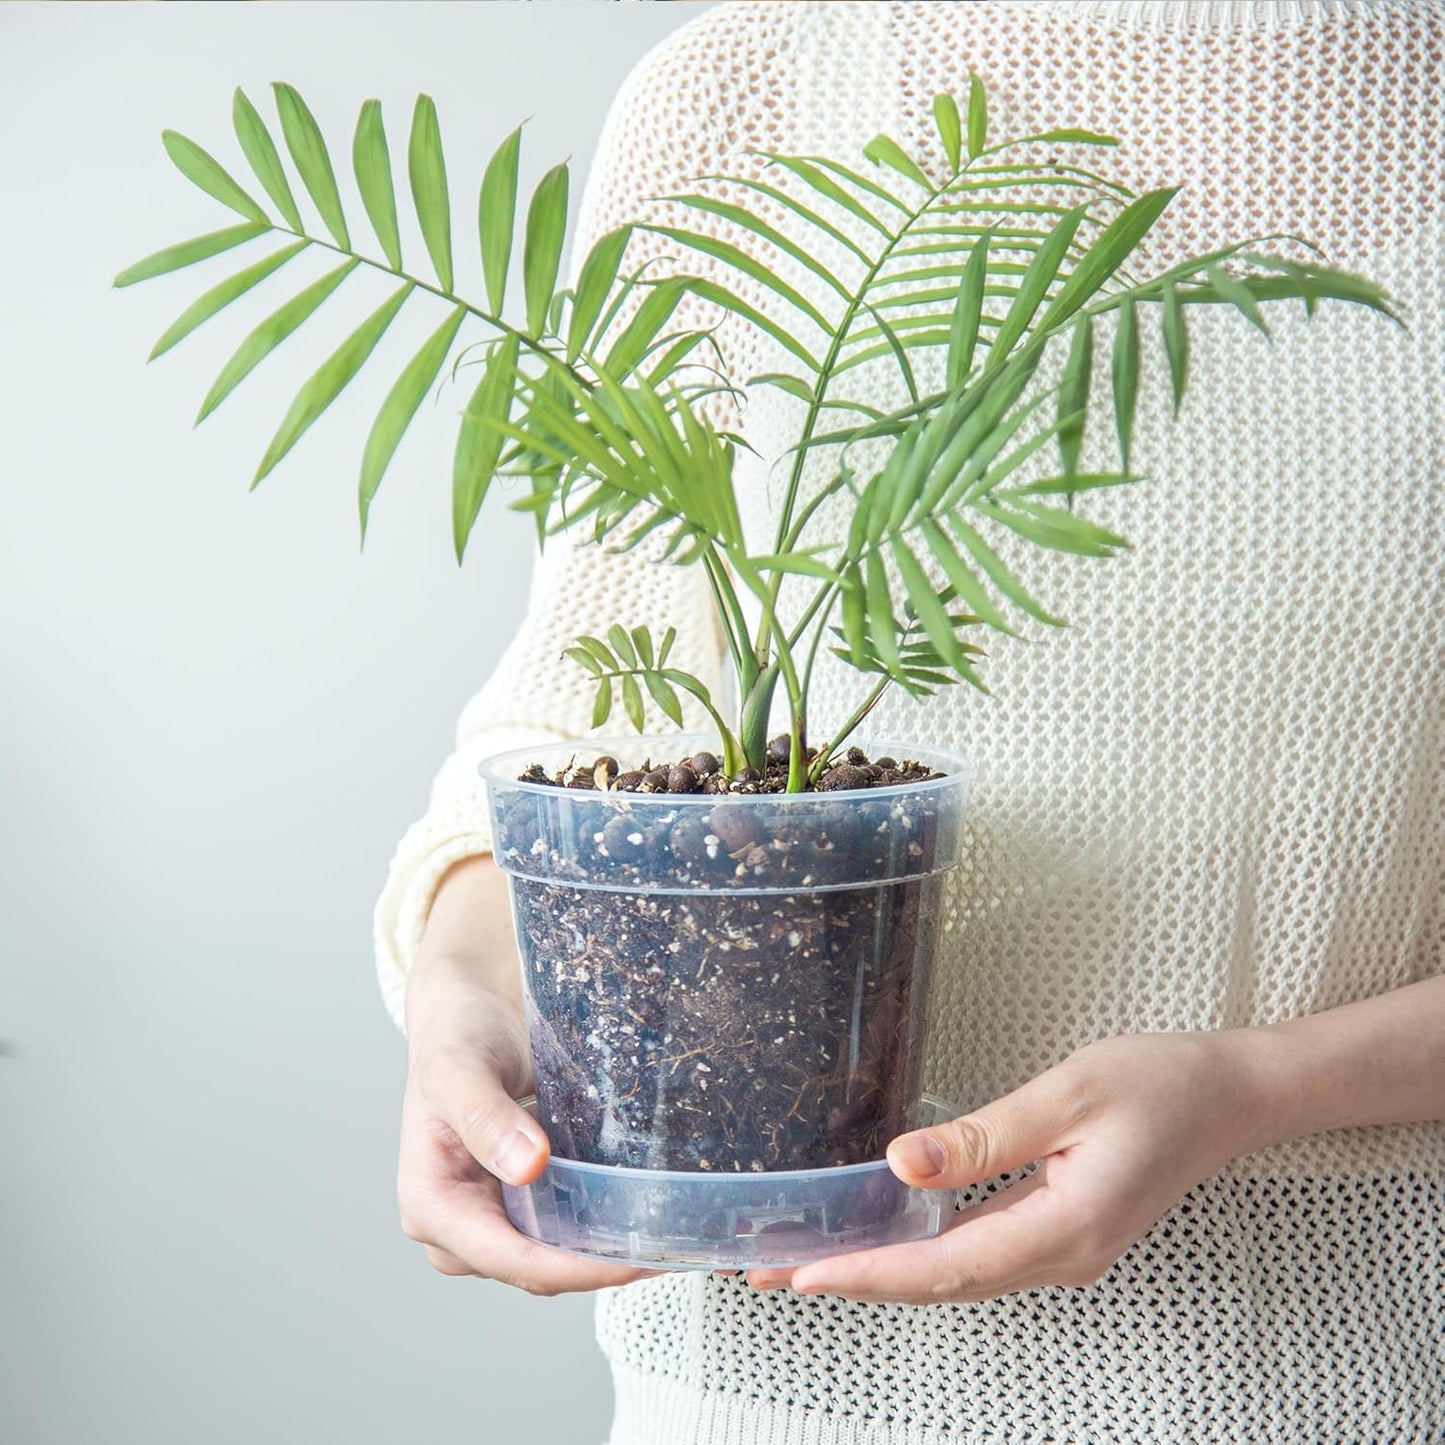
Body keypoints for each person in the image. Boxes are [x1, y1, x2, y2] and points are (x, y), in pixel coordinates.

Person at [375, 3, 1445, 1441]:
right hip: (775, 1373)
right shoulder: (748, 88)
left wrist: (1249, 1086)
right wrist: (461, 997)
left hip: (1360, 1365)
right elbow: (572, 740)